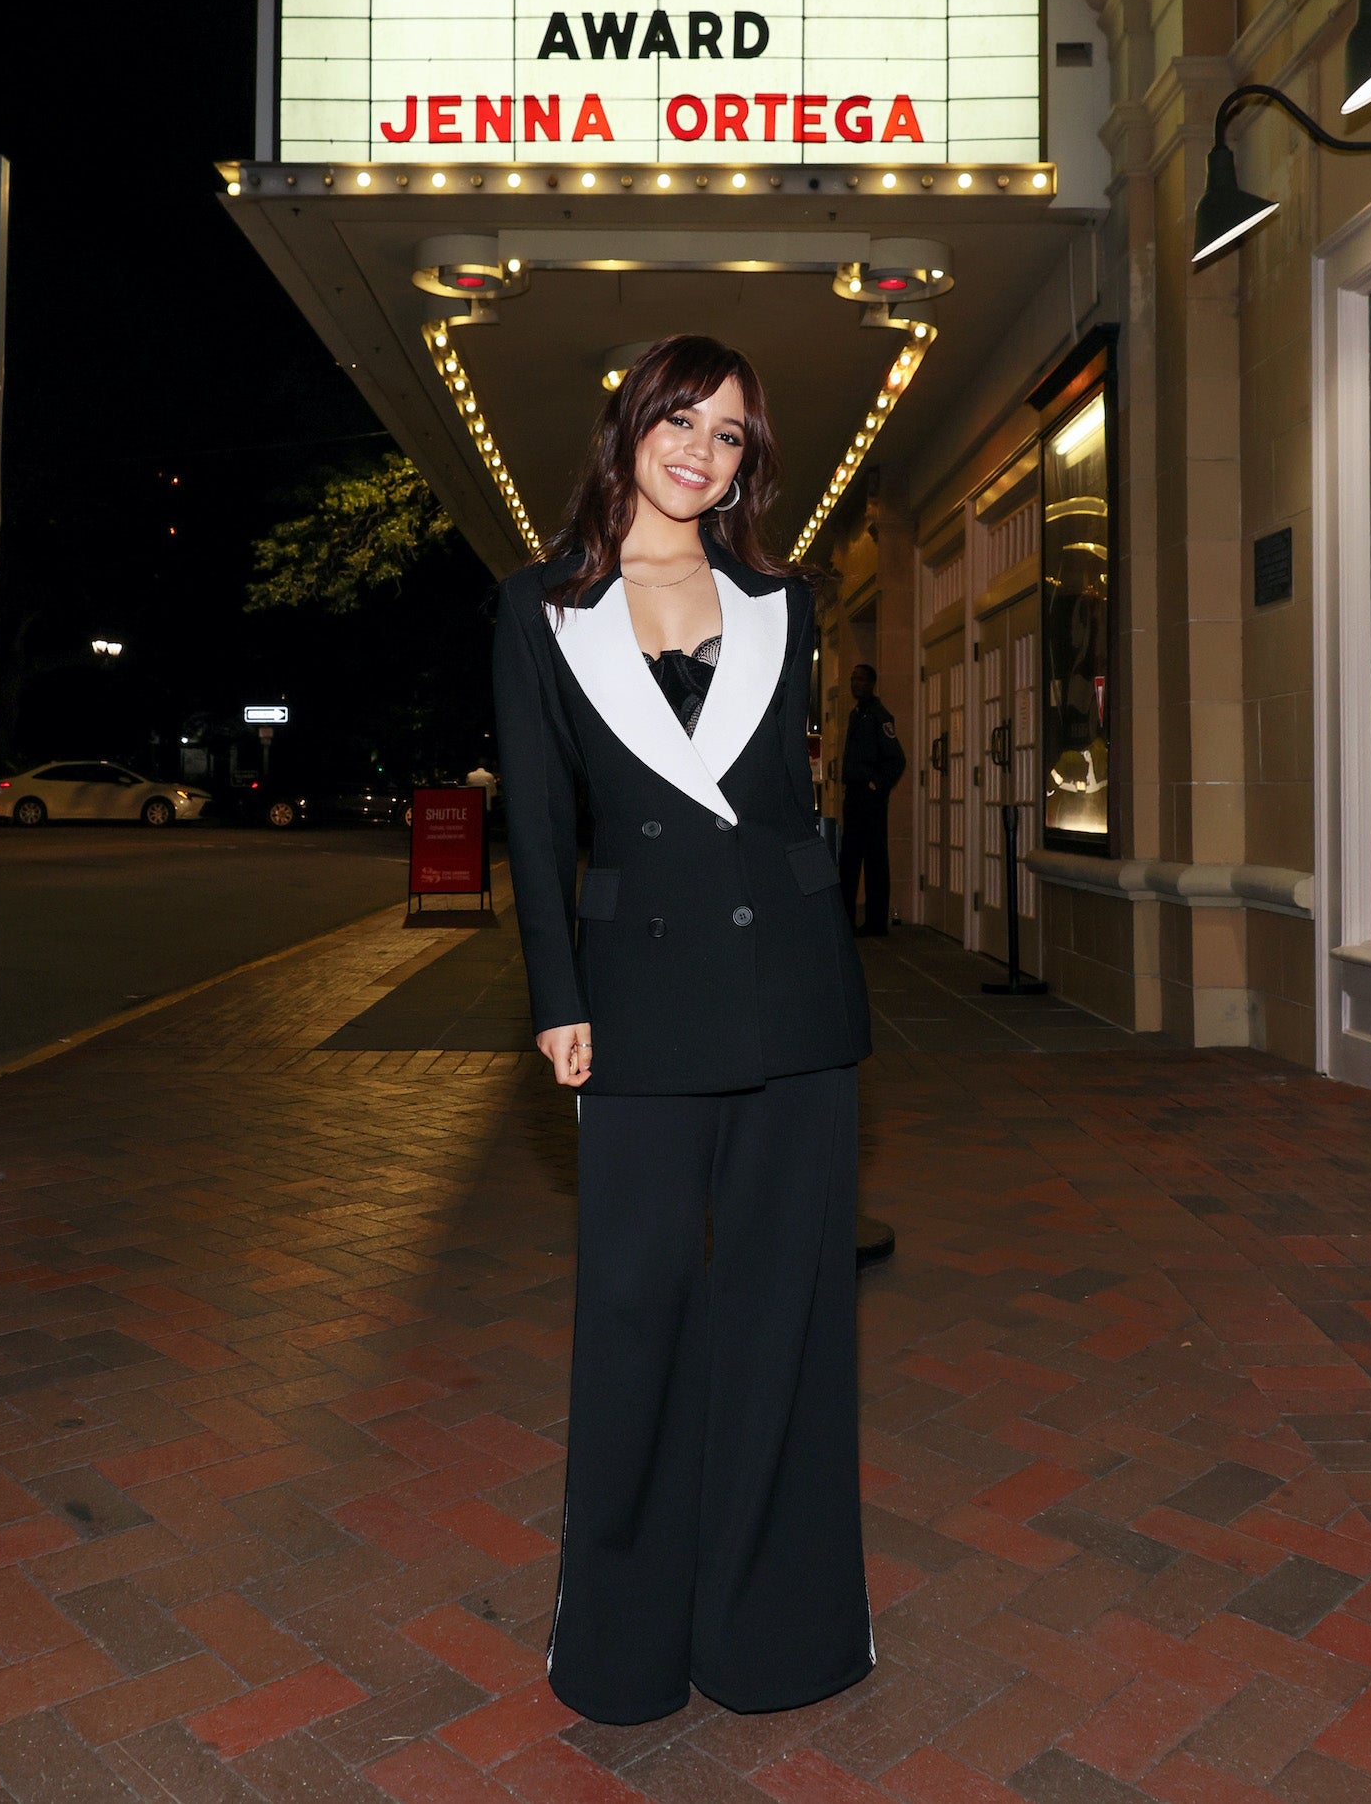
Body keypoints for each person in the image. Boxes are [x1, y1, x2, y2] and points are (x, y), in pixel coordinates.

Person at [493, 334, 874, 1728]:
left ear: (745, 464)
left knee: (786, 1318)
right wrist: (556, 995)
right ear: (632, 428)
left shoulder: (789, 596)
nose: (700, 450)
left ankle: (780, 1633)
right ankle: (622, 1646)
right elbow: (536, 822)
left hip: (794, 1002)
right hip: (636, 1006)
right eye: (681, 420)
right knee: (637, 1310)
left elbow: (785, 801)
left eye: (729, 434)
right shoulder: (541, 605)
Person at [839, 664, 907, 936]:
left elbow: (896, 759)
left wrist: (876, 784)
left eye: (861, 680)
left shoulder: (879, 716)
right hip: (854, 795)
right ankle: (846, 920)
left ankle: (876, 922)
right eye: (853, 679)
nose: (856, 684)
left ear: (872, 683)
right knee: (850, 859)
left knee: (875, 859)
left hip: (870, 797)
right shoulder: (857, 714)